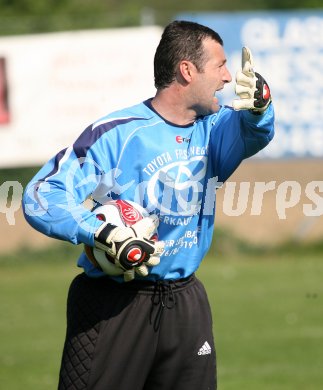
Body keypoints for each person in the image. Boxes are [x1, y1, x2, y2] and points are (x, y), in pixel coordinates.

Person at [22, 20, 274, 390]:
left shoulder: (215, 128)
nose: (227, 77)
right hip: (112, 307)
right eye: (219, 65)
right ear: (187, 70)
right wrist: (100, 232)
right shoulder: (116, 133)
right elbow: (43, 193)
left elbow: (254, 131)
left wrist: (260, 108)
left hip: (186, 305)